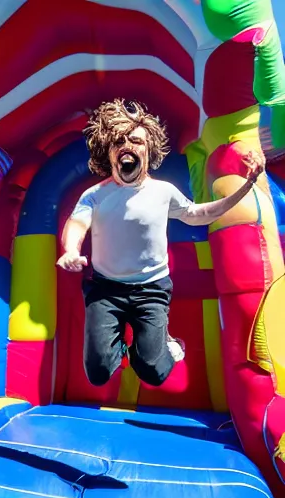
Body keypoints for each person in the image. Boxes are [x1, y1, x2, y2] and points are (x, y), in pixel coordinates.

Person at [56, 99, 265, 388]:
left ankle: (163, 344)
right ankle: (120, 348)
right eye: (120, 141)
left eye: (137, 141)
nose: (128, 146)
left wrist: (245, 187)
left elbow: (198, 214)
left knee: (153, 372)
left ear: (148, 149)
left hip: (151, 289)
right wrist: (70, 250)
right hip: (106, 289)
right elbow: (77, 223)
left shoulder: (163, 192)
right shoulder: (95, 195)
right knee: (99, 372)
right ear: (110, 151)